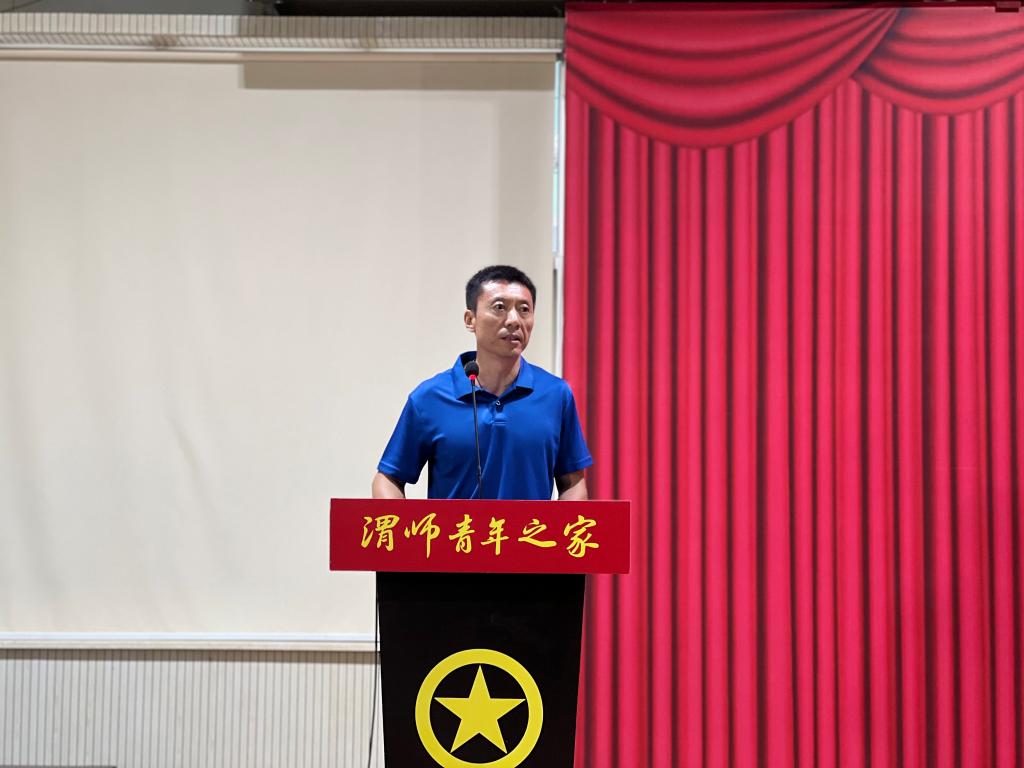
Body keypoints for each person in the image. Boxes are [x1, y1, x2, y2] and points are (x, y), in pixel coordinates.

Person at [372, 265, 591, 501]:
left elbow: (573, 483)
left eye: (524, 310)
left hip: (531, 528)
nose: (514, 320)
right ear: (470, 320)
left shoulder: (556, 395)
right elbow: (388, 480)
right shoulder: (429, 398)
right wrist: (404, 525)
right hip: (456, 528)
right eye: (500, 307)